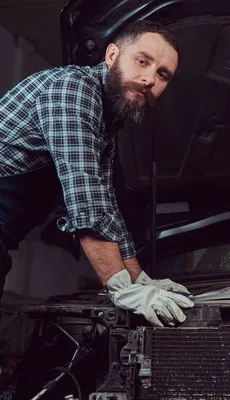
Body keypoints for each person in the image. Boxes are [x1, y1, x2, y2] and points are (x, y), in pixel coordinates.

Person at [0, 20, 194, 327]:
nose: (148, 79)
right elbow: (85, 199)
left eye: (162, 74)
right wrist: (122, 289)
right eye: (142, 61)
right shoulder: (71, 90)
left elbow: (106, 207)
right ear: (112, 55)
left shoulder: (105, 119)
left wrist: (139, 280)